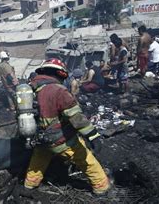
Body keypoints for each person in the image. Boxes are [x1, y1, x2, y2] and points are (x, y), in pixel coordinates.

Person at [25, 58, 110, 195]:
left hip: (39, 139)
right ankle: (102, 188)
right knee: (86, 160)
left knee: (38, 162)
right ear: (60, 74)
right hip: (60, 139)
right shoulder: (59, 91)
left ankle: (29, 185)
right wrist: (93, 136)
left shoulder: (30, 88)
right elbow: (76, 117)